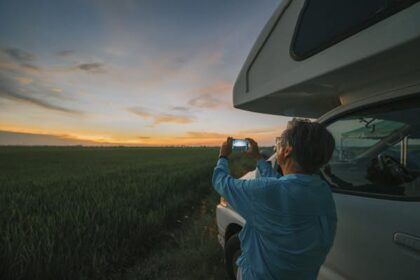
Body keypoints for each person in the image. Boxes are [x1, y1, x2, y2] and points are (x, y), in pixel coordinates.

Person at [212, 118, 337, 280]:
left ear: (287, 151)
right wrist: (258, 158)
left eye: (279, 142)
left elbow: (220, 182)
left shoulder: (269, 191)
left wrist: (223, 156)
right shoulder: (321, 191)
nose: (276, 147)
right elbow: (281, 184)